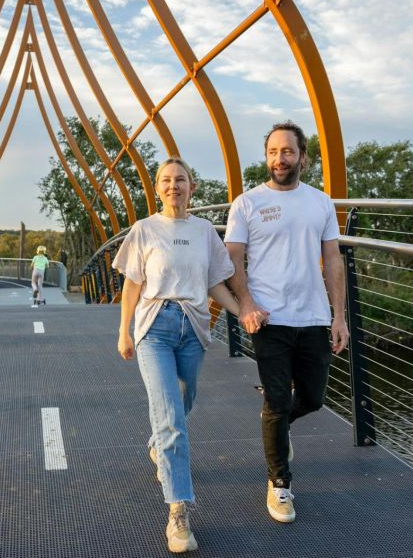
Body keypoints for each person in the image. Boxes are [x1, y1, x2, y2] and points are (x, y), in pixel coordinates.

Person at [113, 157, 256, 554]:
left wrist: (242, 310)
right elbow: (131, 286)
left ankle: (160, 444)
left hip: (194, 327)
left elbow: (215, 284)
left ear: (192, 187)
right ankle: (179, 512)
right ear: (157, 189)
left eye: (181, 180)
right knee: (172, 417)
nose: (173, 185)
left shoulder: (204, 231)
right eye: (166, 180)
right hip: (154, 326)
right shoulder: (143, 231)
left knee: (183, 399)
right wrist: (123, 332)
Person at [224, 121, 349, 524]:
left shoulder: (320, 202)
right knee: (277, 400)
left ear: (303, 157)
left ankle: (278, 428)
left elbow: (332, 259)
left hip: (313, 316)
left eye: (288, 152)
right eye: (274, 152)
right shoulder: (247, 203)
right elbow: (232, 257)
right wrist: (246, 303)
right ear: (267, 157)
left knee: (312, 399)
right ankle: (279, 485)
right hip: (269, 318)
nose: (280, 159)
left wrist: (339, 316)